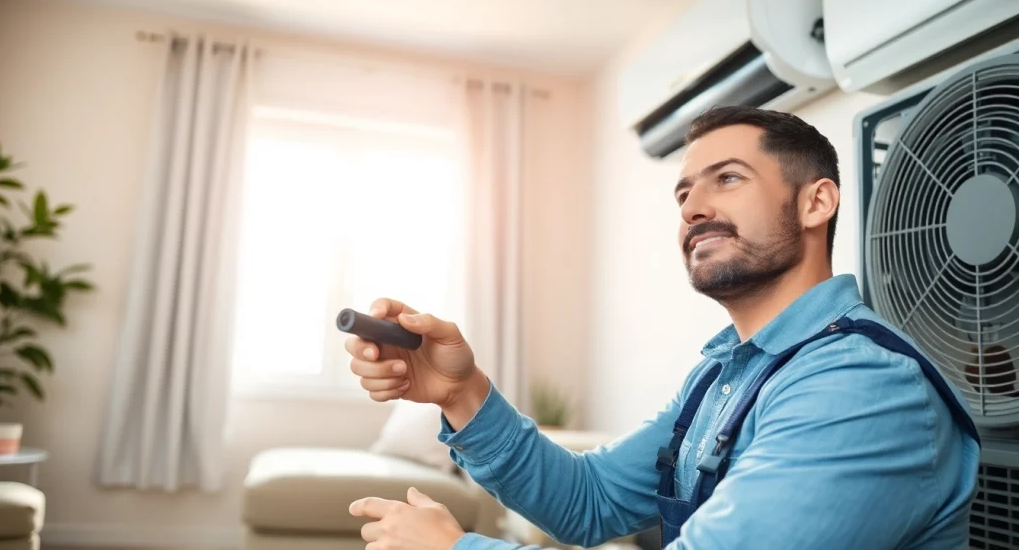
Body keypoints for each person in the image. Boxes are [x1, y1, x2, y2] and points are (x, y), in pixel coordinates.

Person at [343, 106, 982, 550]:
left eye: (728, 178)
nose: (694, 209)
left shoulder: (863, 385)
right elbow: (588, 501)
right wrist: (460, 392)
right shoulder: (723, 374)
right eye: (682, 195)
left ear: (816, 202)